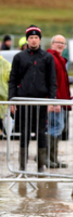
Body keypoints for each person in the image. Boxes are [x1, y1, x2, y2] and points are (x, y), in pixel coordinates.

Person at [9, 25, 57, 172]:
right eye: (31, 38)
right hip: (23, 102)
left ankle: (40, 167)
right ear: (27, 39)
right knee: (24, 133)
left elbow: (52, 81)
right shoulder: (19, 57)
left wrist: (51, 101)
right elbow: (12, 80)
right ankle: (22, 167)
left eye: (36, 38)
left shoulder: (47, 57)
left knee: (41, 133)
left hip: (41, 102)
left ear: (40, 40)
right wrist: (12, 100)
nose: (34, 40)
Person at [46, 35, 72, 168]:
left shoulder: (59, 60)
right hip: (54, 100)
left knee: (56, 127)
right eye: (58, 42)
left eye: (63, 43)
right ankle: (46, 158)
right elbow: (50, 81)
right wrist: (53, 100)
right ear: (52, 44)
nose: (60, 45)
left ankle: (52, 159)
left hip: (59, 100)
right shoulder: (51, 58)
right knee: (55, 127)